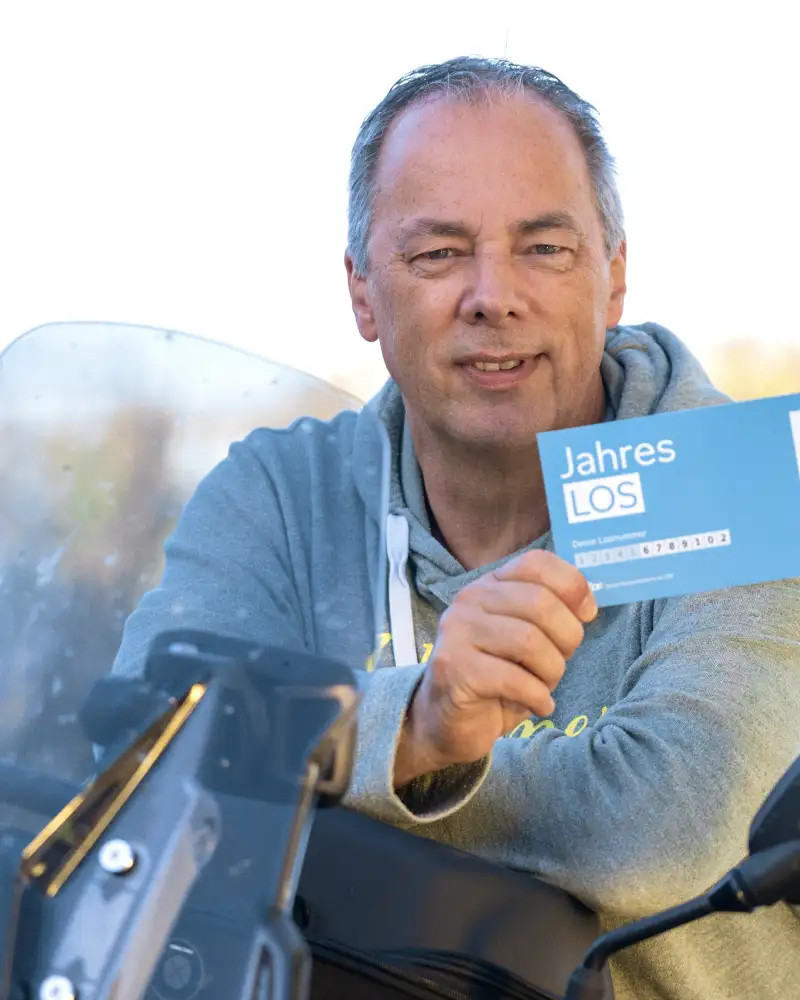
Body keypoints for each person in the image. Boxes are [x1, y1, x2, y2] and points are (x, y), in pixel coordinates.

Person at [113, 56, 800, 999]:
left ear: (614, 279)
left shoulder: (739, 479)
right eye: (437, 253)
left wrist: (334, 756)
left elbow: (669, 834)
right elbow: (137, 747)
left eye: (544, 248)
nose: (493, 295)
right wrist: (419, 726)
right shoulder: (278, 490)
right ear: (362, 290)